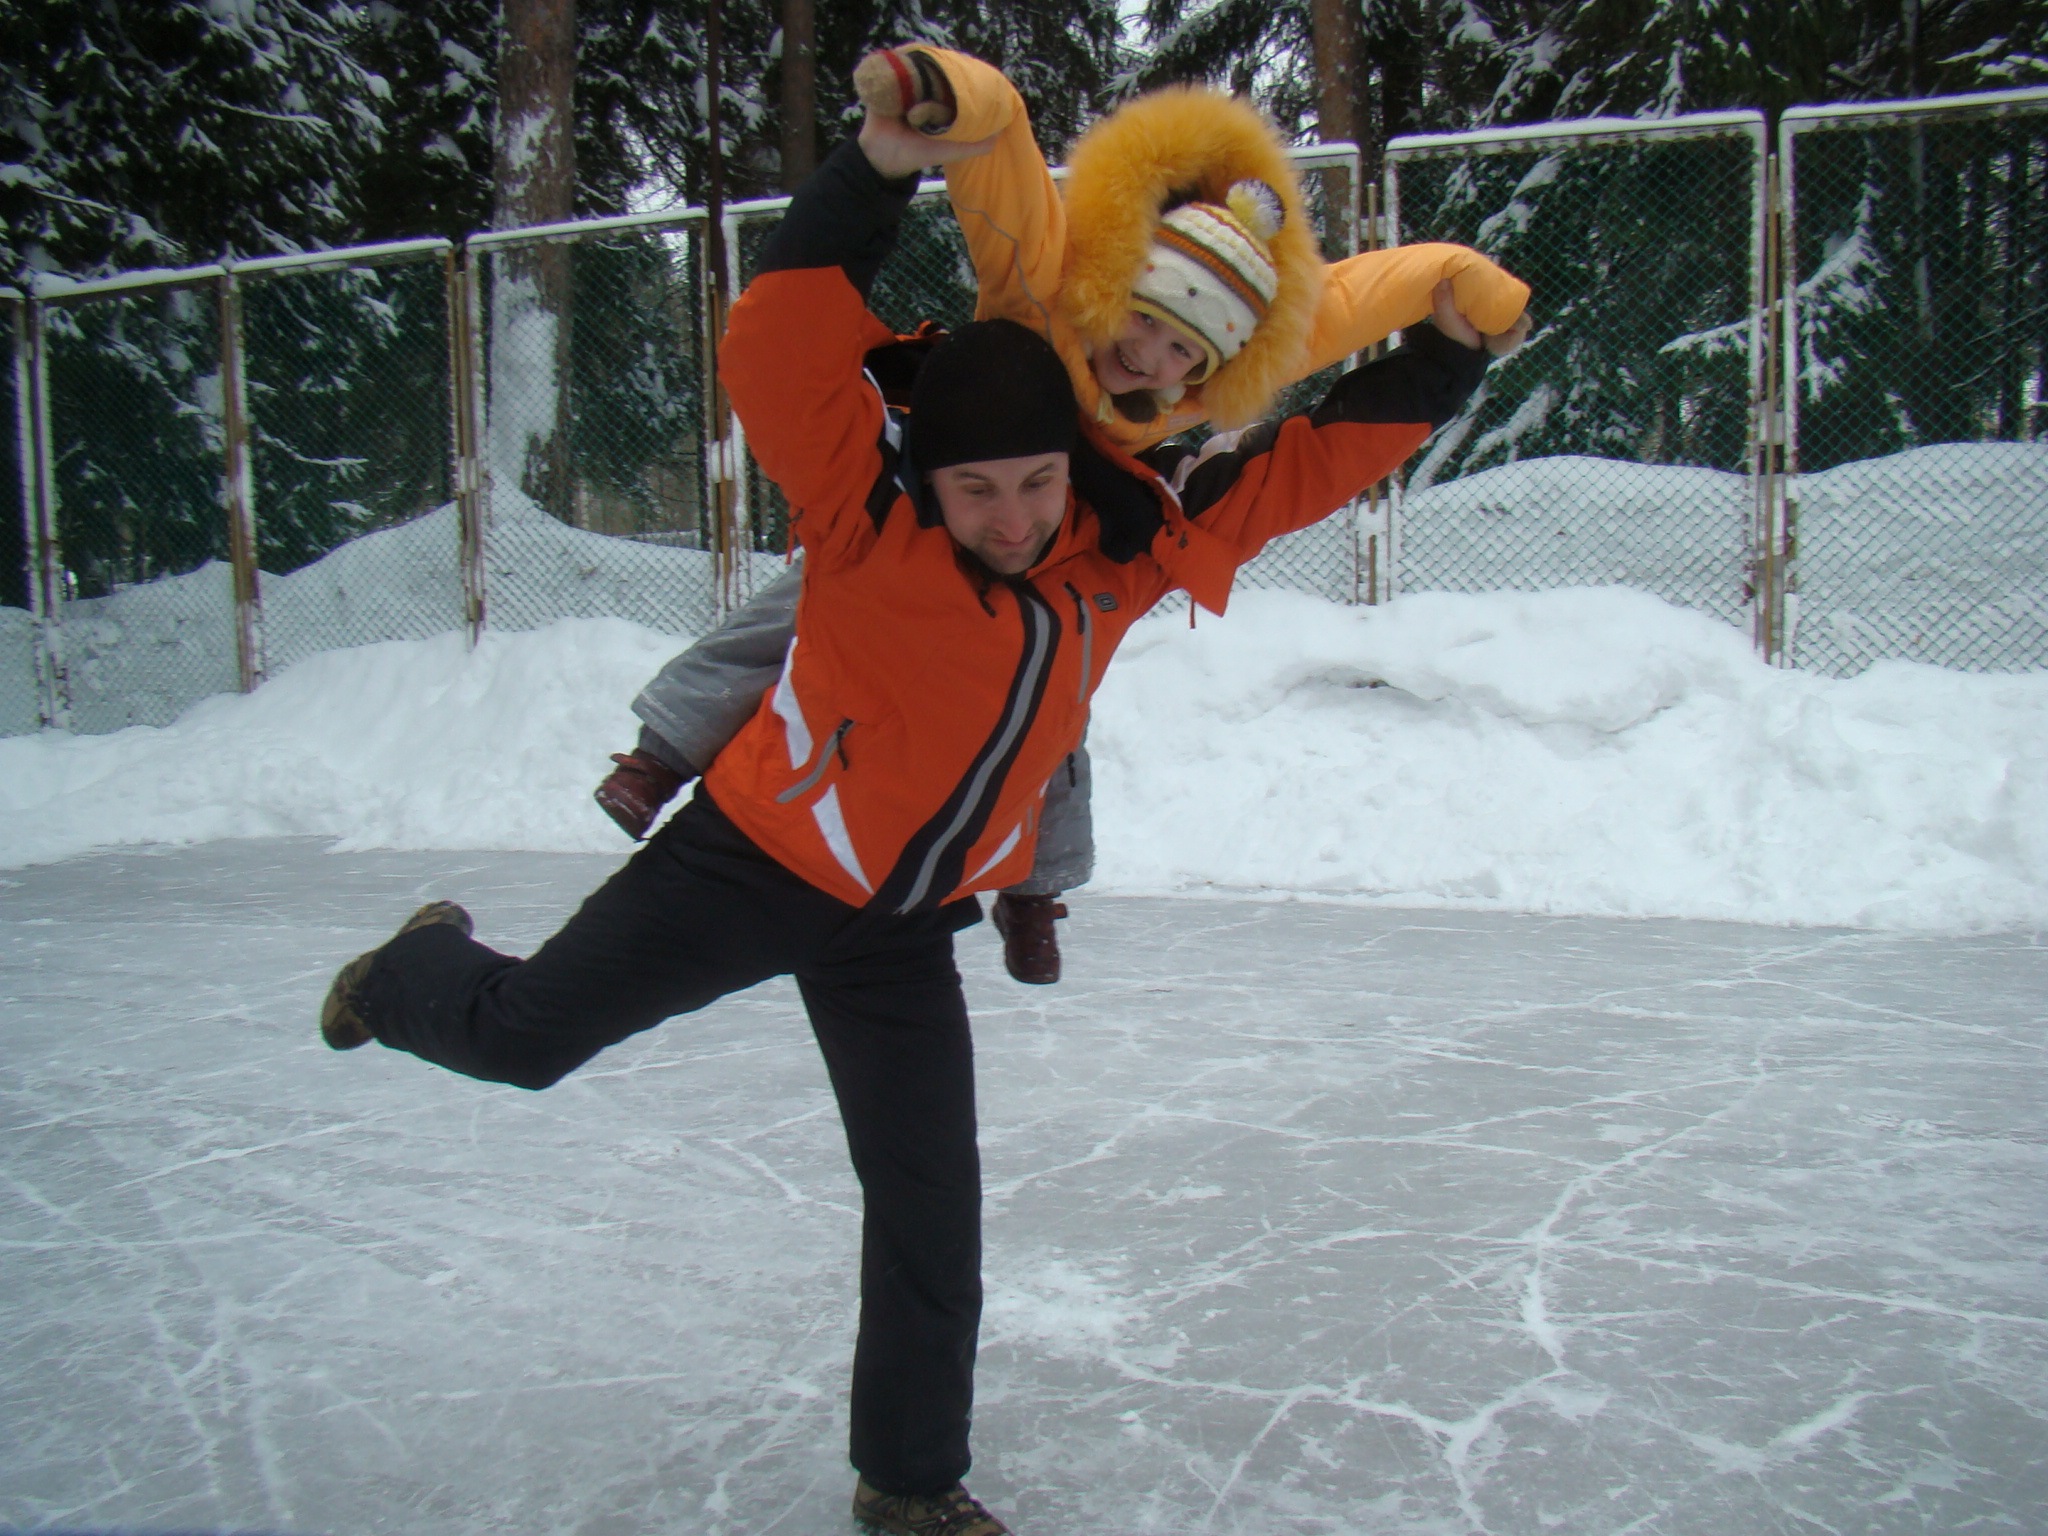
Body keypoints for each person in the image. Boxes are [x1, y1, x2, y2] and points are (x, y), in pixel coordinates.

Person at [321, 96, 1517, 1534]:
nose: (1011, 519)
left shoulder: (1120, 553)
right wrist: (876, 172)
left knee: (930, 1215)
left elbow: (1306, 464)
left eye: (1035, 484)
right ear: (924, 478)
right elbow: (779, 347)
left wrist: (1450, 355)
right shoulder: (864, 519)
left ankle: (908, 1485)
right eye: (976, 490)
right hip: (751, 865)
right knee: (521, 1040)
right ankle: (410, 967)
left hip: (899, 927)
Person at [593, 46, 1534, 986]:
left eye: (1184, 352)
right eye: (1145, 318)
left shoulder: (1163, 423)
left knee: (1049, 707)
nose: (1151, 356)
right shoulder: (1049, 290)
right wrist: (943, 95)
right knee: (797, 610)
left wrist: (1453, 336)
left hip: (1071, 527)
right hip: (955, 466)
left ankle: (1036, 892)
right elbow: (1003, 175)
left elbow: (1343, 313)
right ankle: (662, 751)